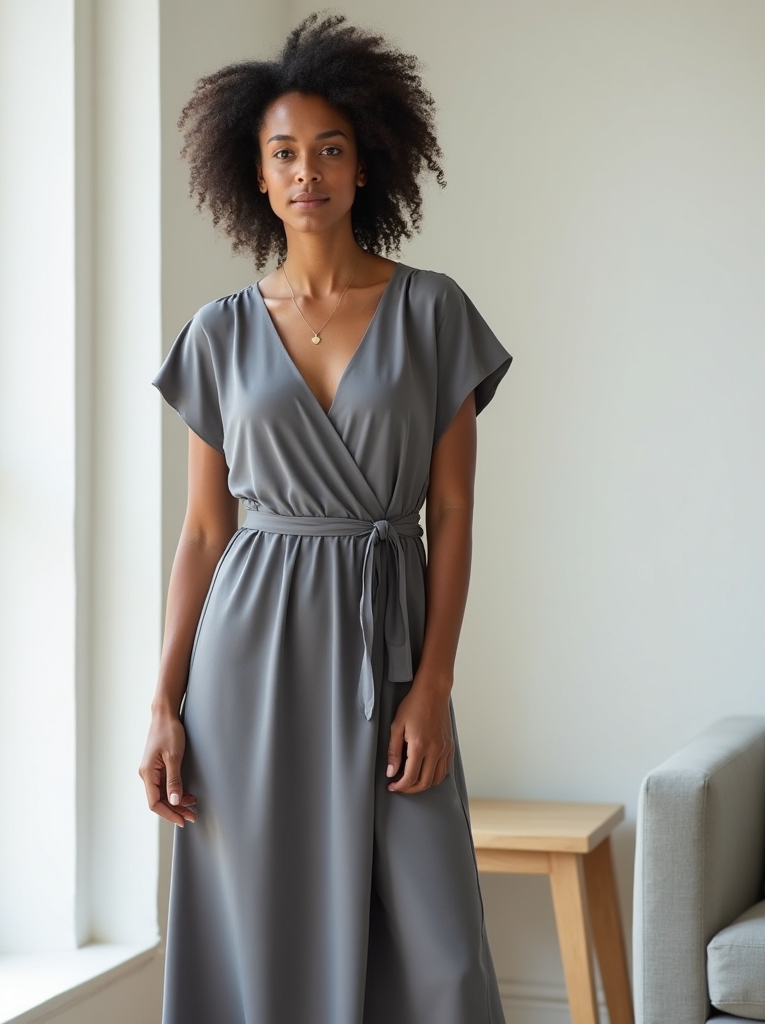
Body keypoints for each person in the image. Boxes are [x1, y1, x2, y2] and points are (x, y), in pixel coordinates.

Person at [140, 13, 512, 1024]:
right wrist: (164, 700)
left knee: (436, 951)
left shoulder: (434, 314)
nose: (308, 171)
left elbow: (453, 509)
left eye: (329, 149)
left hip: (387, 645)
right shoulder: (216, 335)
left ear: (364, 167)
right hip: (248, 662)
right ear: (255, 177)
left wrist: (432, 682)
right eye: (284, 153)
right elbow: (205, 533)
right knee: (265, 930)